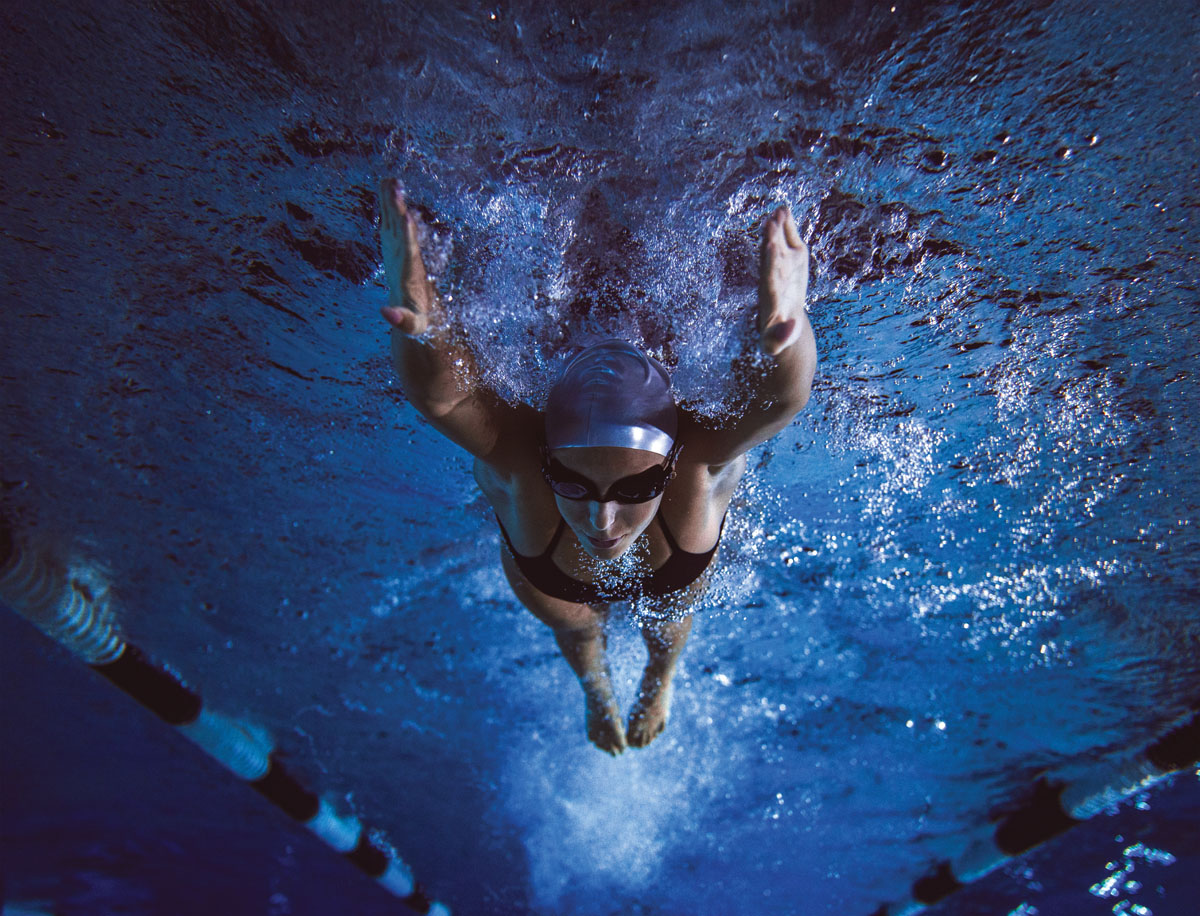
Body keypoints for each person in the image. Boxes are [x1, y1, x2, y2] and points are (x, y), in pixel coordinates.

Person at [378, 178, 816, 755]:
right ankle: (596, 692)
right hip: (551, 569)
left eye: (635, 487)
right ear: (546, 458)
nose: (601, 519)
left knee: (667, 617)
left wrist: (786, 327)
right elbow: (447, 399)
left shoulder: (691, 468)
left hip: (664, 559)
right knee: (576, 625)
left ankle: (660, 681)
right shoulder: (523, 466)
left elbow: (779, 399)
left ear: (668, 465)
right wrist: (424, 320)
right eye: (571, 481)